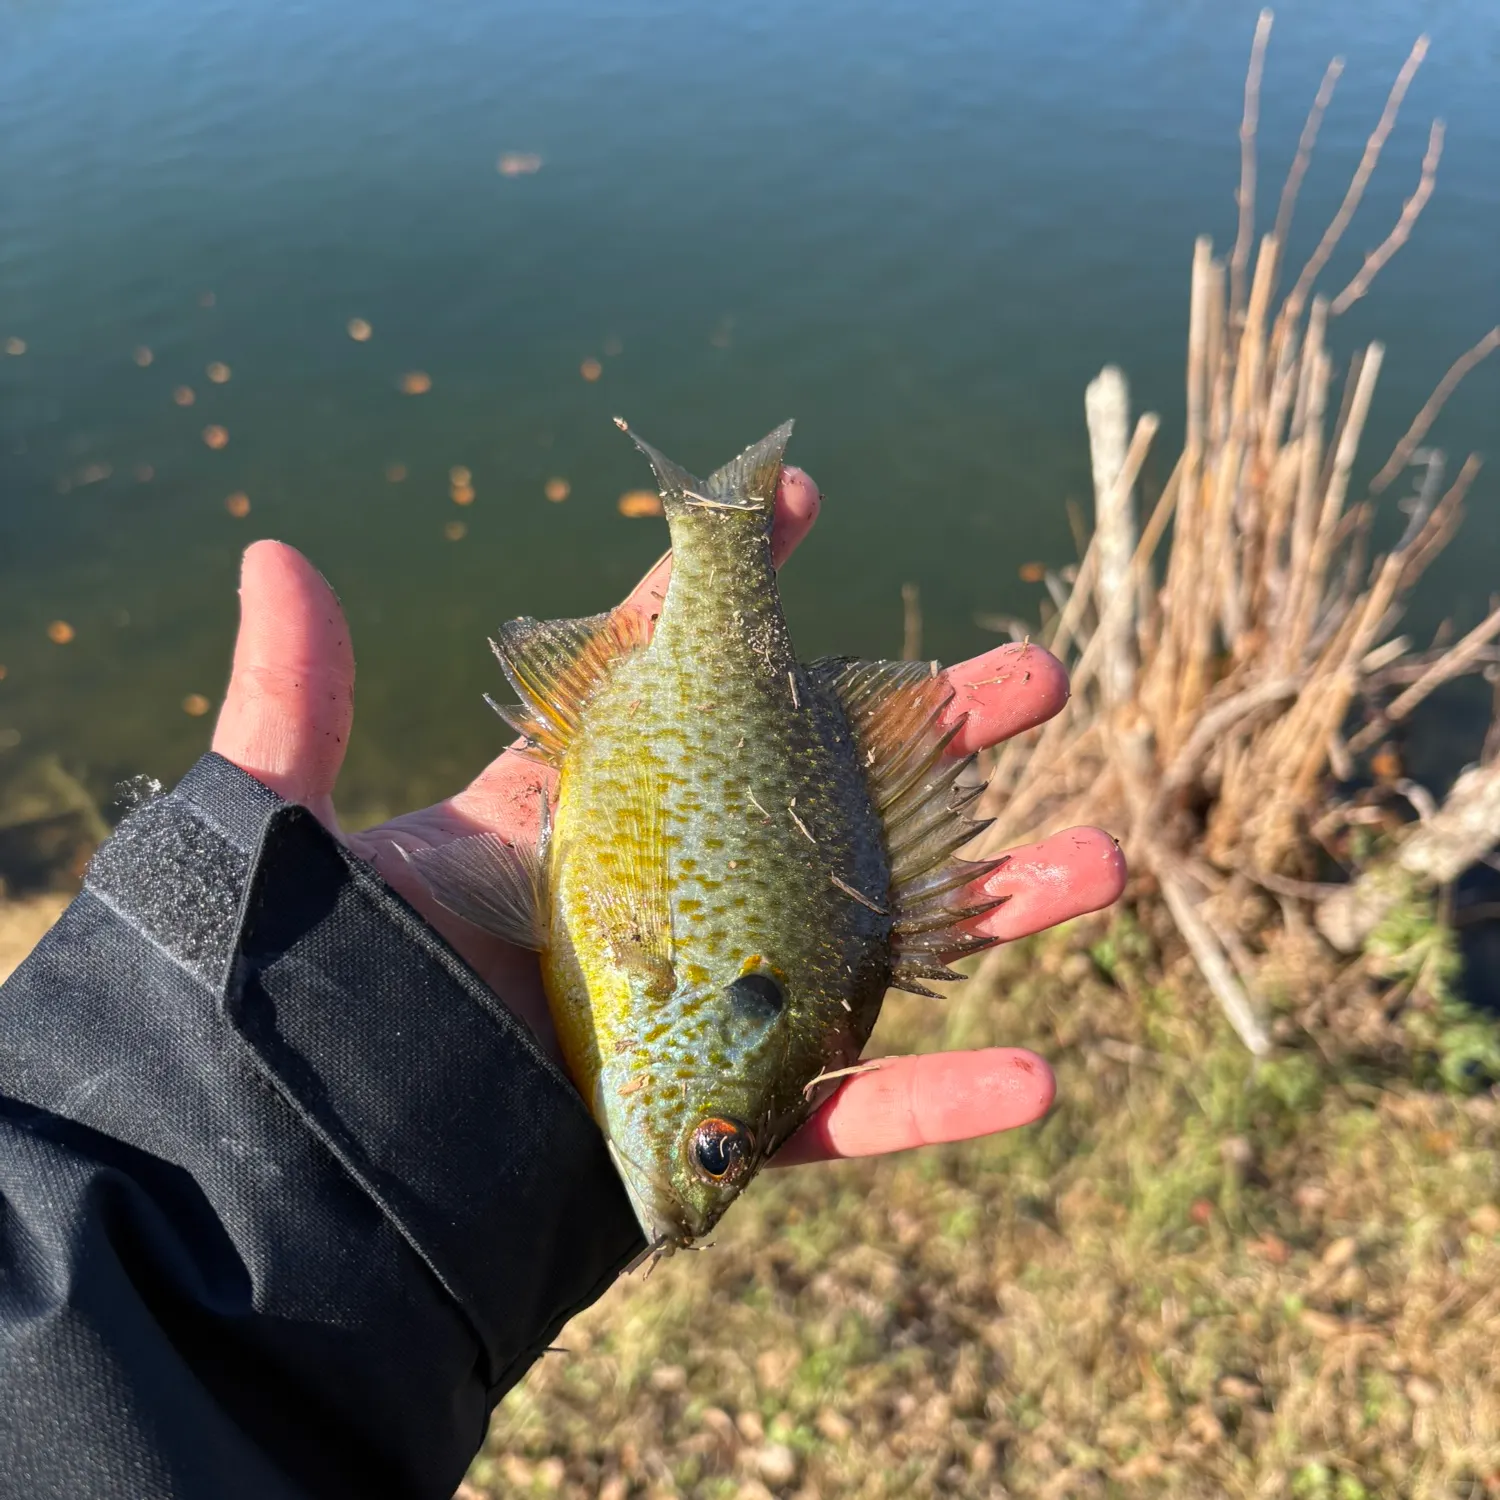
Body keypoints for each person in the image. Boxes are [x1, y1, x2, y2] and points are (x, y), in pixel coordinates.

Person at [0, 465, 1124, 1500]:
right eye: (714, 1152)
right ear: (712, 1035)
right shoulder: (686, 1018)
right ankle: (723, 531)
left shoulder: (701, 1033)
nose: (687, 1196)